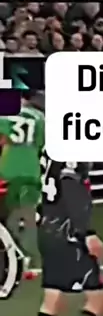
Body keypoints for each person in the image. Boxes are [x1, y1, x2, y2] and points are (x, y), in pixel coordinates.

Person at [28, 157, 103, 316]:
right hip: (67, 233)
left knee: (53, 297)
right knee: (96, 297)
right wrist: (88, 233)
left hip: (48, 228)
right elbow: (70, 186)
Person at [0, 91, 45, 280]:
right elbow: (41, 145)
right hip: (31, 171)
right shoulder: (39, 117)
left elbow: (3, 139)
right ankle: (30, 261)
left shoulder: (4, 115)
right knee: (28, 217)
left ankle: (11, 260)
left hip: (8, 171)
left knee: (7, 219)